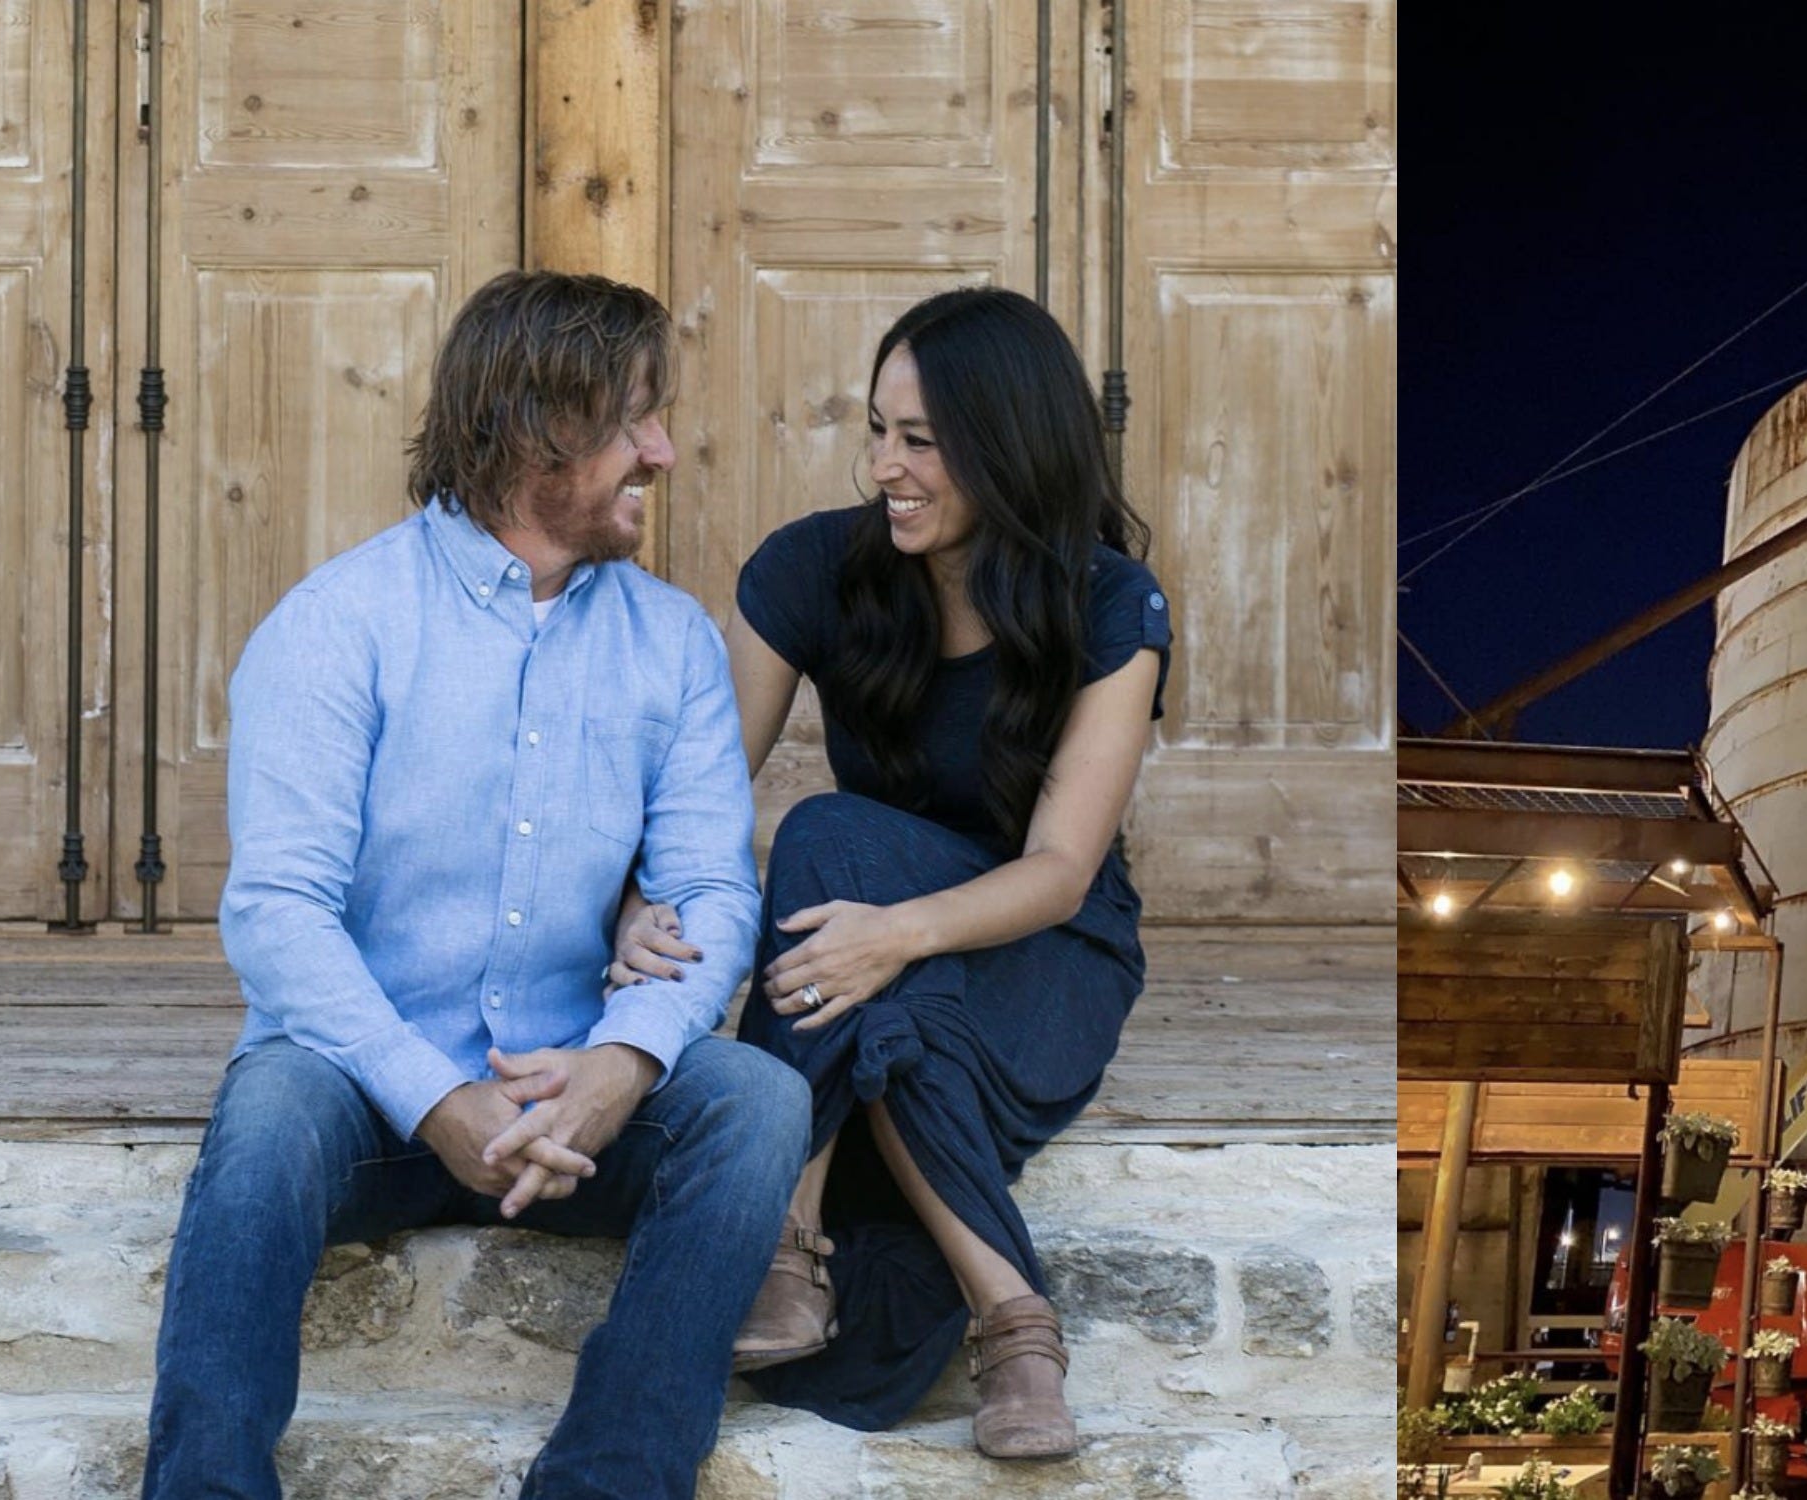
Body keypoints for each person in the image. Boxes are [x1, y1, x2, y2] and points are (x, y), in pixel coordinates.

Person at [145, 270, 808, 1500]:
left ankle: (608, 1483)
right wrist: (429, 1091)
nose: (661, 452)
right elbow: (276, 912)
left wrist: (623, 1062)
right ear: (531, 429)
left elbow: (714, 889)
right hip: (367, 1085)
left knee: (755, 1103)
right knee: (268, 1111)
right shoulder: (338, 625)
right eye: (633, 421)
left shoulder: (670, 644)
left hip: (570, 1092)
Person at [607, 286, 1168, 1458]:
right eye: (876, 431)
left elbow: (1064, 870)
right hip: (869, 950)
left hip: (1044, 953)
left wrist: (897, 933)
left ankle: (783, 1245)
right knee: (842, 874)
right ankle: (1013, 1321)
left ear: (1009, 449)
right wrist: (630, 902)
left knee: (833, 849)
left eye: (920, 442)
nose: (885, 467)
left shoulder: (1112, 605)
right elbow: (700, 803)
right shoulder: (811, 572)